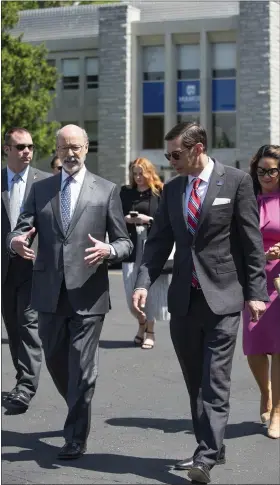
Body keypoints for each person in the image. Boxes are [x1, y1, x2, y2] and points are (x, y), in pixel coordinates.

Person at [132, 122, 268, 484]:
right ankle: (214, 443)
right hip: (183, 299)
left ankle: (205, 457)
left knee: (214, 379)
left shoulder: (236, 182)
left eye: (176, 154)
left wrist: (256, 292)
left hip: (224, 296)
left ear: (198, 148)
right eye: (167, 155)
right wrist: (143, 282)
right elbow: (159, 241)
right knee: (195, 379)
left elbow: (251, 242)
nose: (170, 161)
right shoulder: (174, 189)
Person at [7, 124, 132, 460]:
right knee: (56, 361)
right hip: (48, 292)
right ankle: (77, 404)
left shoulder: (105, 190)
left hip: (88, 293)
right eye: (65, 148)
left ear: (87, 148)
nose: (71, 153)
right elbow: (22, 228)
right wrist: (16, 241)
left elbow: (125, 242)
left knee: (82, 366)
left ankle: (76, 436)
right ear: (57, 152)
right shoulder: (41, 189)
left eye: (76, 147)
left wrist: (109, 251)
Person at [1, 127, 50, 413]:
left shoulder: (45, 182)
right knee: (13, 325)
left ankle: (26, 386)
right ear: (6, 149)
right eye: (20, 147)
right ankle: (22, 379)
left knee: (29, 325)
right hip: (6, 267)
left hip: (36, 266)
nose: (27, 151)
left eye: (30, 146)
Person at [243, 144, 280, 439]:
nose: (266, 175)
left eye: (272, 170)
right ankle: (265, 392)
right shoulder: (248, 199)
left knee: (279, 348)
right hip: (254, 279)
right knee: (255, 346)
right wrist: (260, 255)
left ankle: (278, 412)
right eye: (261, 170)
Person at [120, 158, 169, 349]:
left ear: (150, 172)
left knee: (150, 291)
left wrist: (147, 220)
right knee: (131, 292)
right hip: (131, 246)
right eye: (135, 173)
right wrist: (126, 219)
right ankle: (141, 323)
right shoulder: (125, 193)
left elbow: (166, 220)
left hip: (152, 246)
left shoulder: (160, 192)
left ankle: (150, 332)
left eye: (141, 173)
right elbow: (115, 216)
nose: (138, 177)